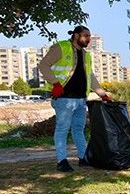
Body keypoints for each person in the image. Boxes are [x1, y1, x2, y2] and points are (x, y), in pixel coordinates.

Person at [37, 25, 112, 172]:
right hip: (64, 98)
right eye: (86, 36)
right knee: (62, 129)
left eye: (89, 37)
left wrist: (102, 94)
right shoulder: (61, 47)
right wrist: (55, 84)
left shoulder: (86, 55)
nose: (89, 40)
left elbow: (90, 76)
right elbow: (43, 65)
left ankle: (83, 158)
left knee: (78, 129)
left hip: (80, 99)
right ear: (77, 35)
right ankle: (62, 161)